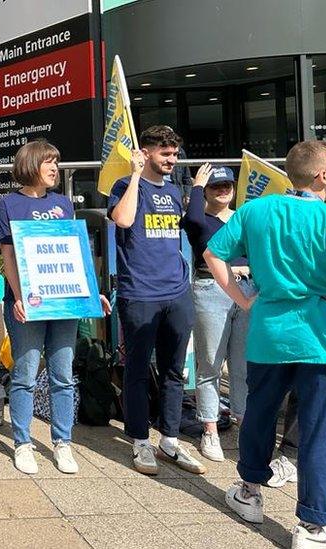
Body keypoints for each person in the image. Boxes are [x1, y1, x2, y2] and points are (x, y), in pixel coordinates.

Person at [205, 140, 326, 546]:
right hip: (321, 337)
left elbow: (213, 254)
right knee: (319, 428)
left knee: (259, 414)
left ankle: (249, 492)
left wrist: (244, 300)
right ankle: (314, 526)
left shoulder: (256, 210)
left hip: (267, 332)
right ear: (322, 175)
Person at [0, 140, 111, 475]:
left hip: (64, 303)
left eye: (56, 163)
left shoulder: (62, 204)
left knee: (62, 375)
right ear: (31, 164)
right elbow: (9, 258)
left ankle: (62, 442)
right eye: (49, 162)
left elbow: (75, 255)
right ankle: (23, 443)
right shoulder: (9, 205)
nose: (55, 168)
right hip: (27, 305)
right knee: (25, 374)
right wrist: (17, 297)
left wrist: (92, 293)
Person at [108, 125, 205, 476]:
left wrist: (195, 190)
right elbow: (123, 219)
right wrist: (134, 176)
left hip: (176, 292)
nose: (171, 160)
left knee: (174, 372)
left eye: (174, 154)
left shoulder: (176, 190)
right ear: (146, 152)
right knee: (136, 371)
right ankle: (139, 441)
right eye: (165, 154)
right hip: (140, 294)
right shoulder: (124, 187)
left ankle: (170, 440)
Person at [180, 165, 252, 462]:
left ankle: (244, 424)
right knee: (210, 363)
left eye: (227, 185)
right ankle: (209, 427)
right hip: (211, 290)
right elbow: (192, 218)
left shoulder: (242, 219)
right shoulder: (200, 220)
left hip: (246, 290)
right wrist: (196, 185)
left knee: (243, 365)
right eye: (215, 186)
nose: (222, 190)